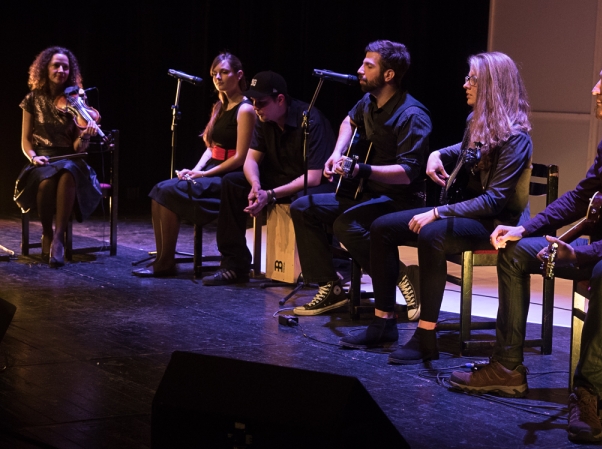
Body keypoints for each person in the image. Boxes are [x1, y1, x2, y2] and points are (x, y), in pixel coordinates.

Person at [449, 48, 602, 444]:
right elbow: (580, 197)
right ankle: (508, 367)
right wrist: (523, 230)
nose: (594, 89)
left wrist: (579, 253)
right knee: (515, 253)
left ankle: (588, 392)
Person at [339, 52, 533, 364]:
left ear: (492, 86)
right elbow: (466, 149)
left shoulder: (517, 136)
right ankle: (383, 321)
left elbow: (495, 200)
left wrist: (437, 212)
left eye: (472, 79)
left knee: (432, 234)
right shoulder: (477, 121)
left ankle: (426, 336)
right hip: (471, 214)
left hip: (497, 224)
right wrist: (439, 153)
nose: (465, 84)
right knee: (382, 227)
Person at [290, 40, 432, 317]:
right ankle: (330, 288)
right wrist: (336, 152)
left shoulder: (413, 115)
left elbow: (406, 174)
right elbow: (348, 121)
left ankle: (398, 274)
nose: (359, 70)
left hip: (401, 202)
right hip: (365, 195)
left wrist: (361, 170)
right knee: (303, 207)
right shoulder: (368, 101)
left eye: (369, 65)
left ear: (389, 75)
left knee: (347, 225)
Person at [202, 71, 336, 286]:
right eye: (253, 102)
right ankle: (234, 264)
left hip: (314, 184)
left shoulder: (310, 120)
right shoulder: (264, 119)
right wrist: (256, 186)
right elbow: (250, 160)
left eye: (261, 103)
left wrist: (271, 194)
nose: (255, 107)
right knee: (233, 183)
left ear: (280, 100)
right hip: (281, 177)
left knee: (303, 198)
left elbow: (313, 177)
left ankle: (315, 269)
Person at [132, 53, 255, 277]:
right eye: (214, 74)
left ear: (239, 76)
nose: (218, 77)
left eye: (224, 72)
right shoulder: (220, 106)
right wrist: (196, 170)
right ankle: (164, 259)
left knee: (168, 192)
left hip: (231, 177)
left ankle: (165, 263)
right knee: (159, 189)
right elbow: (210, 147)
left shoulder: (245, 109)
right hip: (212, 171)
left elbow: (240, 157)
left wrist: (203, 175)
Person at [14, 46, 103, 268]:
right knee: (45, 183)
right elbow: (25, 139)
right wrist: (33, 157)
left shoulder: (76, 100)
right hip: (43, 159)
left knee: (68, 172)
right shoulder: (32, 99)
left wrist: (85, 135)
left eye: (65, 66)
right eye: (56, 65)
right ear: (46, 68)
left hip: (71, 158)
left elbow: (78, 149)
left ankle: (58, 239)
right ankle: (46, 232)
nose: (61, 70)